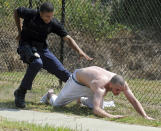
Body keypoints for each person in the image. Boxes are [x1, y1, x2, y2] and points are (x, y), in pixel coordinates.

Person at [13, 2, 93, 108]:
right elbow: (16, 11)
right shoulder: (31, 14)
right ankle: (21, 92)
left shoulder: (53, 23)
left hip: (42, 49)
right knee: (37, 62)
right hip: (26, 45)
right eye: (47, 16)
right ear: (40, 13)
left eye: (51, 16)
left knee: (63, 73)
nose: (49, 19)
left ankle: (87, 94)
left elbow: (67, 38)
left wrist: (79, 51)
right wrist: (19, 31)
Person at [41, 66, 154, 120]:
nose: (119, 93)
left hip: (91, 84)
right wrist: (112, 116)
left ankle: (81, 100)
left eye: (120, 90)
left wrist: (145, 116)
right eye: (117, 90)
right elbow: (96, 111)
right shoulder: (100, 86)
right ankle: (50, 94)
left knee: (100, 106)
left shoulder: (121, 83)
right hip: (78, 82)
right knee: (57, 105)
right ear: (110, 85)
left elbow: (133, 100)